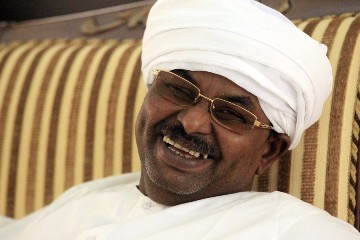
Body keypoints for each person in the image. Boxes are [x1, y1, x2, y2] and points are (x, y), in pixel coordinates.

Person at [1, 0, 360, 239]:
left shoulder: (295, 231)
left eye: (232, 114)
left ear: (269, 152)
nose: (192, 124)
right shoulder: (88, 197)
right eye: (179, 89)